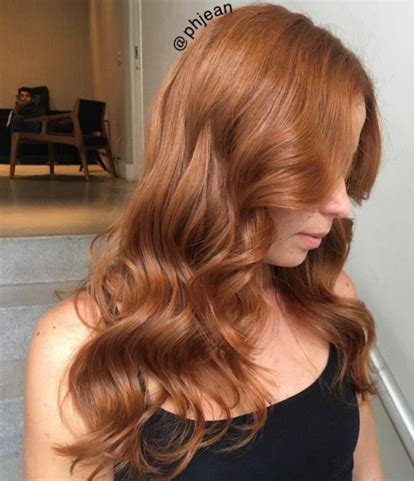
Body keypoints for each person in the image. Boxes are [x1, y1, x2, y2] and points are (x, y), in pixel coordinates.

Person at [23, 3, 385, 481]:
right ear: (225, 161)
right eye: (312, 171)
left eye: (345, 167)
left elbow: (366, 470)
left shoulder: (331, 299)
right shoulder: (79, 352)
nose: (342, 204)